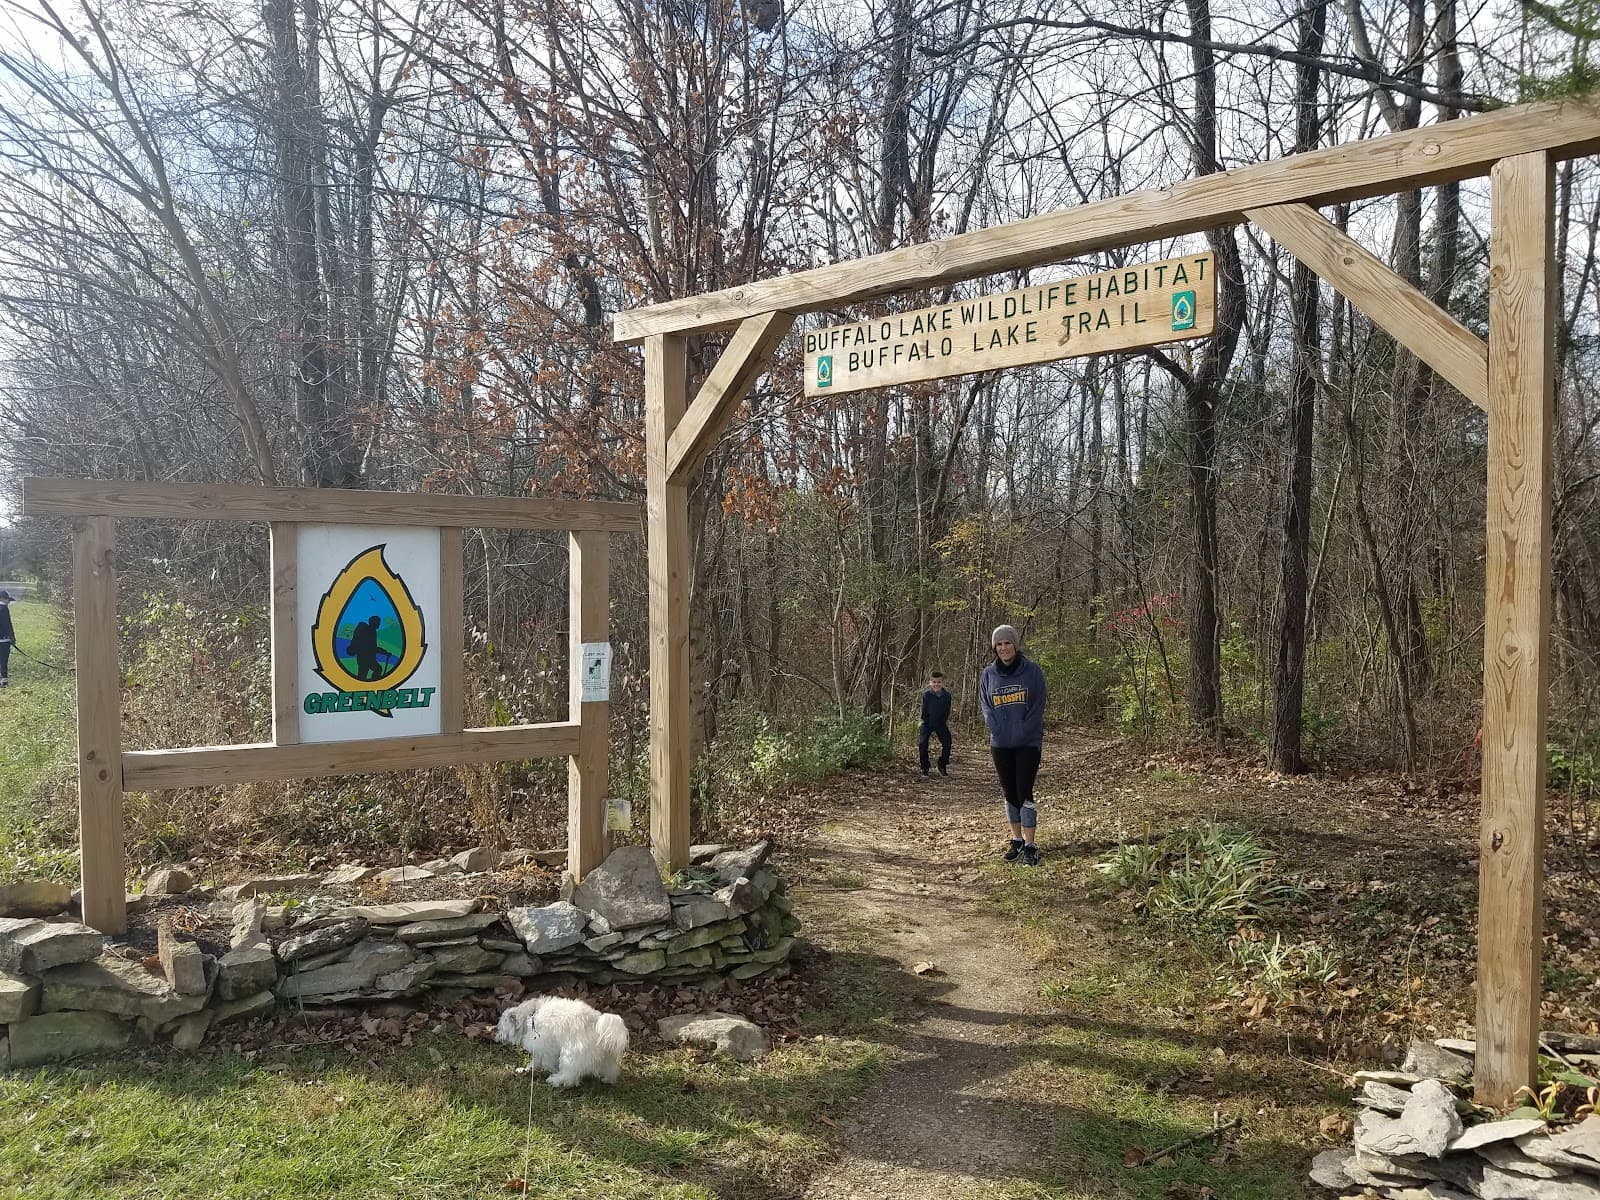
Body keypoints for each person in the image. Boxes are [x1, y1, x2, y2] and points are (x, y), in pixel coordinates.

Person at [979, 624, 1046, 866]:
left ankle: (1030, 845)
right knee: (1009, 793)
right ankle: (1016, 840)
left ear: (1015, 645)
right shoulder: (988, 675)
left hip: (1027, 743)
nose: (1003, 648)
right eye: (999, 644)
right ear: (994, 648)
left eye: (1007, 643)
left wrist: (1021, 731)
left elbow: (1037, 706)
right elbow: (986, 707)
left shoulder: (1032, 672)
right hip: (1001, 744)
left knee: (1024, 791)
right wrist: (997, 730)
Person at [918, 670, 953, 776]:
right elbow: (924, 711)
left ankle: (942, 764)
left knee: (947, 742)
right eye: (934, 682)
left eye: (938, 682)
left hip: (940, 723)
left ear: (942, 683)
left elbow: (947, 711)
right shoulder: (926, 695)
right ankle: (925, 766)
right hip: (927, 722)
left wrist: (942, 723)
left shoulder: (947, 696)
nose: (936, 684)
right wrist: (924, 723)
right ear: (930, 683)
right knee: (922, 743)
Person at [349, 615, 384, 681]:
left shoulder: (372, 632)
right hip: (364, 658)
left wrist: (384, 651)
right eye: (378, 622)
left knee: (374, 670)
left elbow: (373, 647)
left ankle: (372, 683)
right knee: (364, 674)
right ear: (374, 622)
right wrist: (383, 651)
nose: (379, 624)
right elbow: (370, 647)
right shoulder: (367, 632)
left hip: (368, 658)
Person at [0, 591, 13, 687]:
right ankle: (4, 680)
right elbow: (7, 625)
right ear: (3, 599)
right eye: (8, 600)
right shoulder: (4, 609)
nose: (9, 602)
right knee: (4, 660)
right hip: (4, 640)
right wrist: (12, 637)